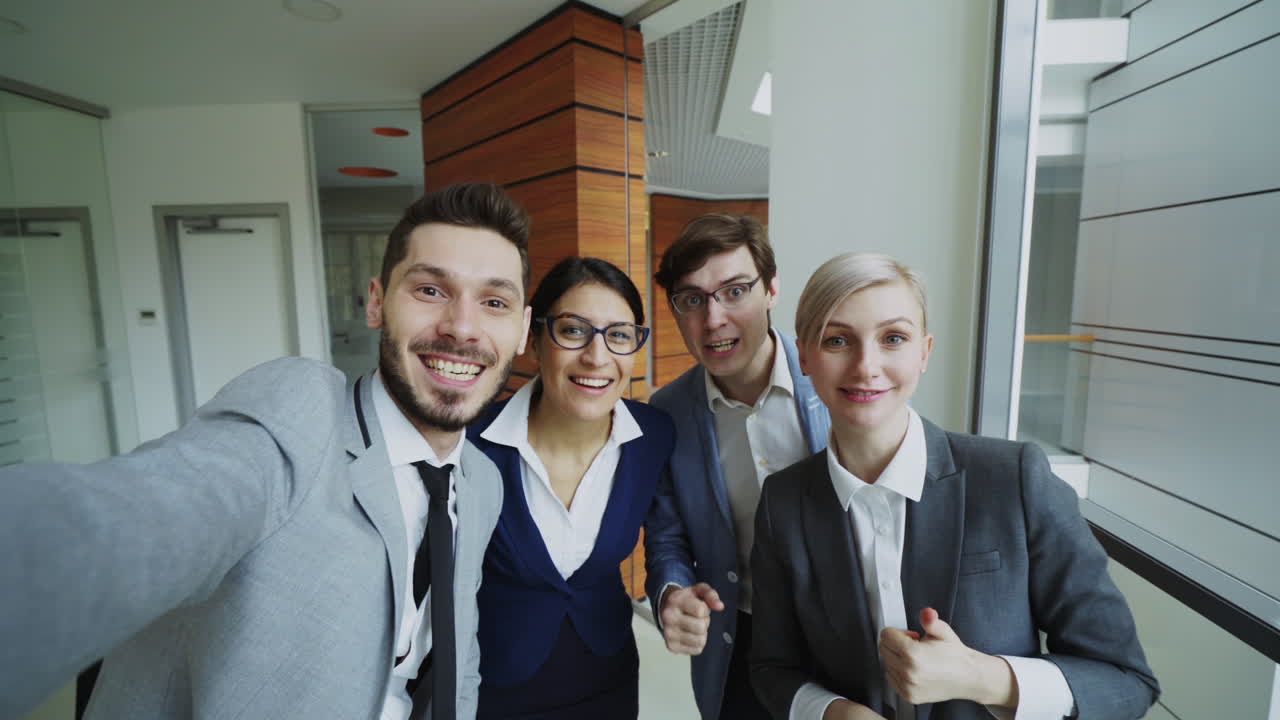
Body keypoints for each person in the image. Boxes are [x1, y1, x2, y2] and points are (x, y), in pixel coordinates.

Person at [0, 183, 534, 720]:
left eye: (494, 302)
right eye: (430, 290)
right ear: (376, 302)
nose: (462, 328)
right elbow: (149, 513)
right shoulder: (303, 413)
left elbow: (458, 649)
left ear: (522, 331)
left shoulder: (481, 481)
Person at [749, 252, 1160, 720]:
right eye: (838, 340)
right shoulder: (783, 501)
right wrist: (833, 713)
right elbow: (772, 668)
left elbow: (1125, 681)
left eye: (893, 338)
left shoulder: (1014, 479)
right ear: (804, 355)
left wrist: (979, 677)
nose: (866, 366)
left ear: (924, 352)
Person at [467, 257, 674, 719]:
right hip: (492, 686)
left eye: (619, 335)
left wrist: (675, 590)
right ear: (534, 340)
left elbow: (667, 540)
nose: (597, 357)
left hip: (608, 679)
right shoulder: (471, 441)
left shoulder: (654, 437)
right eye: (574, 330)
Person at [643, 214, 830, 720]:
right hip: (736, 640)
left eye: (735, 291)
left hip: (840, 637)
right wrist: (672, 592)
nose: (713, 319)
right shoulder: (667, 413)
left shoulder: (832, 376)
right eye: (692, 299)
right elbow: (667, 538)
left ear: (772, 290)